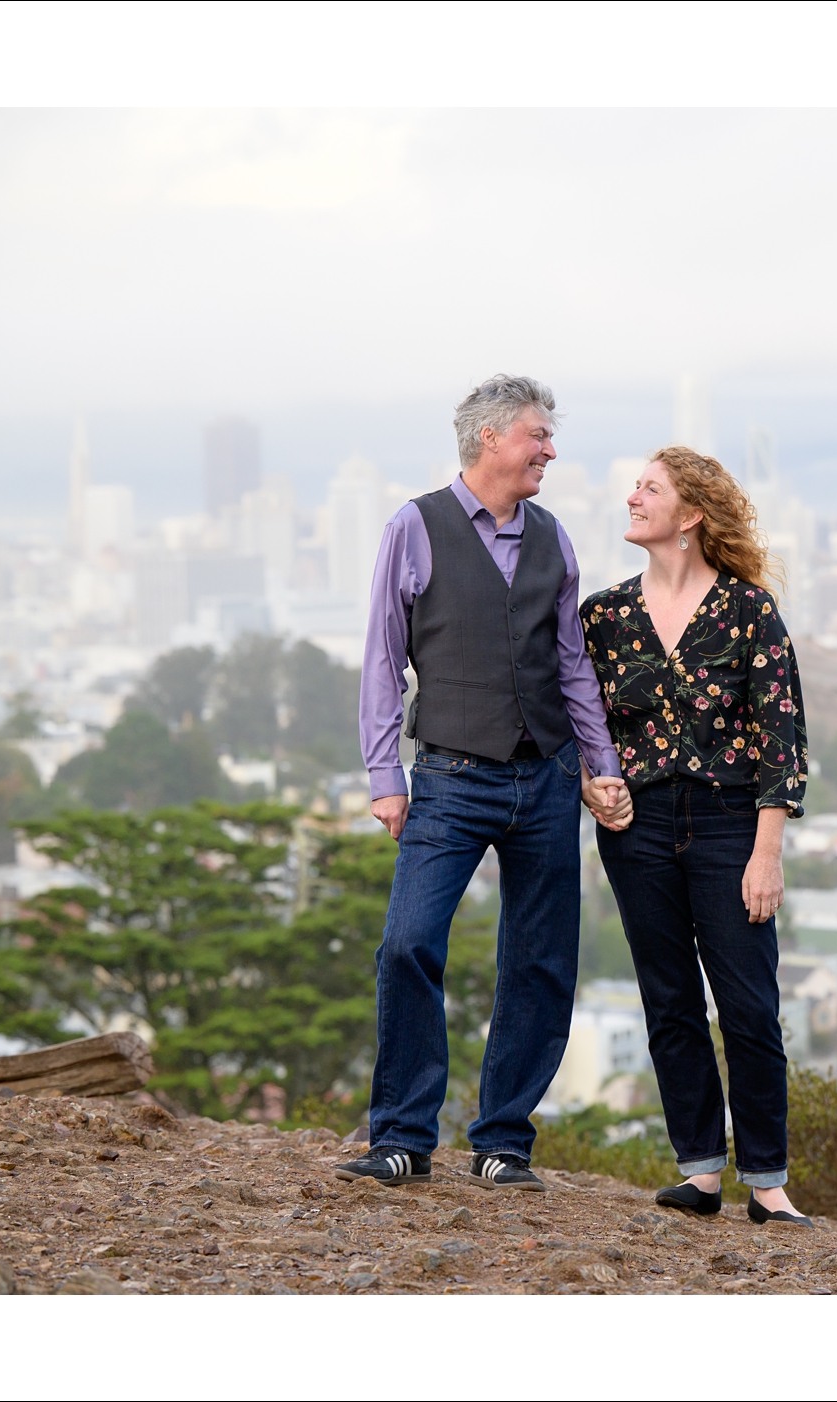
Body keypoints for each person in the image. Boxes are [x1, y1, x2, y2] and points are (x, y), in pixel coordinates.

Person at [335, 374, 630, 1192]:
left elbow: (572, 664)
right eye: (539, 436)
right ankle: (401, 1135)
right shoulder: (414, 526)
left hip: (546, 779)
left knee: (539, 963)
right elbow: (381, 656)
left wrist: (600, 766)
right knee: (409, 943)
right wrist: (383, 776)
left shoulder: (555, 537)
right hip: (449, 778)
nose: (550, 450)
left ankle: (504, 1142)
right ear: (492, 438)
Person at [578, 446, 814, 1227]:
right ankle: (702, 1172)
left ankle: (769, 1183)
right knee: (669, 1003)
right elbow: (583, 725)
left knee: (748, 1006)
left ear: (690, 516)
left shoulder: (748, 611)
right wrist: (592, 782)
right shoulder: (604, 616)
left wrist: (766, 852)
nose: (632, 498)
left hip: (729, 827)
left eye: (649, 489)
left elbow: (782, 739)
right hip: (636, 831)